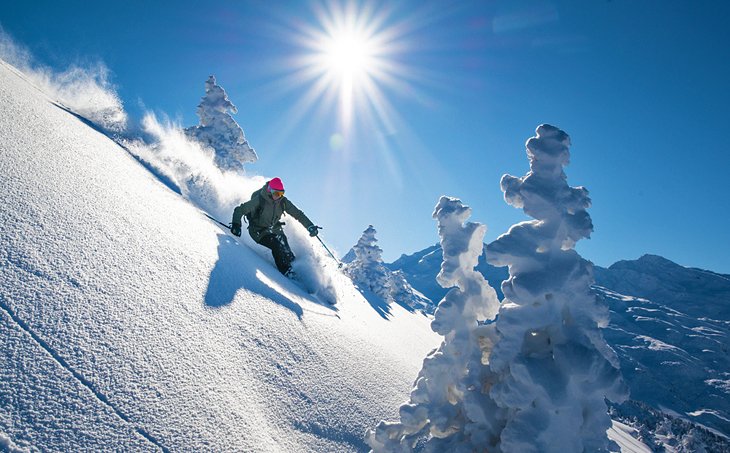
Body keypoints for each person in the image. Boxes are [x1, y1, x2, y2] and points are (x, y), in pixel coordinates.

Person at [230, 177, 319, 276]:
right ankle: (286, 271)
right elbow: (240, 210)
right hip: (258, 231)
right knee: (276, 245)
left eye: (281, 193)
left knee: (287, 250)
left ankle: (295, 268)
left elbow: (298, 214)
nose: (278, 196)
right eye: (276, 193)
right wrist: (236, 224)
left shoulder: (283, 202)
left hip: (275, 228)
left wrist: (310, 226)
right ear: (269, 190)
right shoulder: (260, 200)